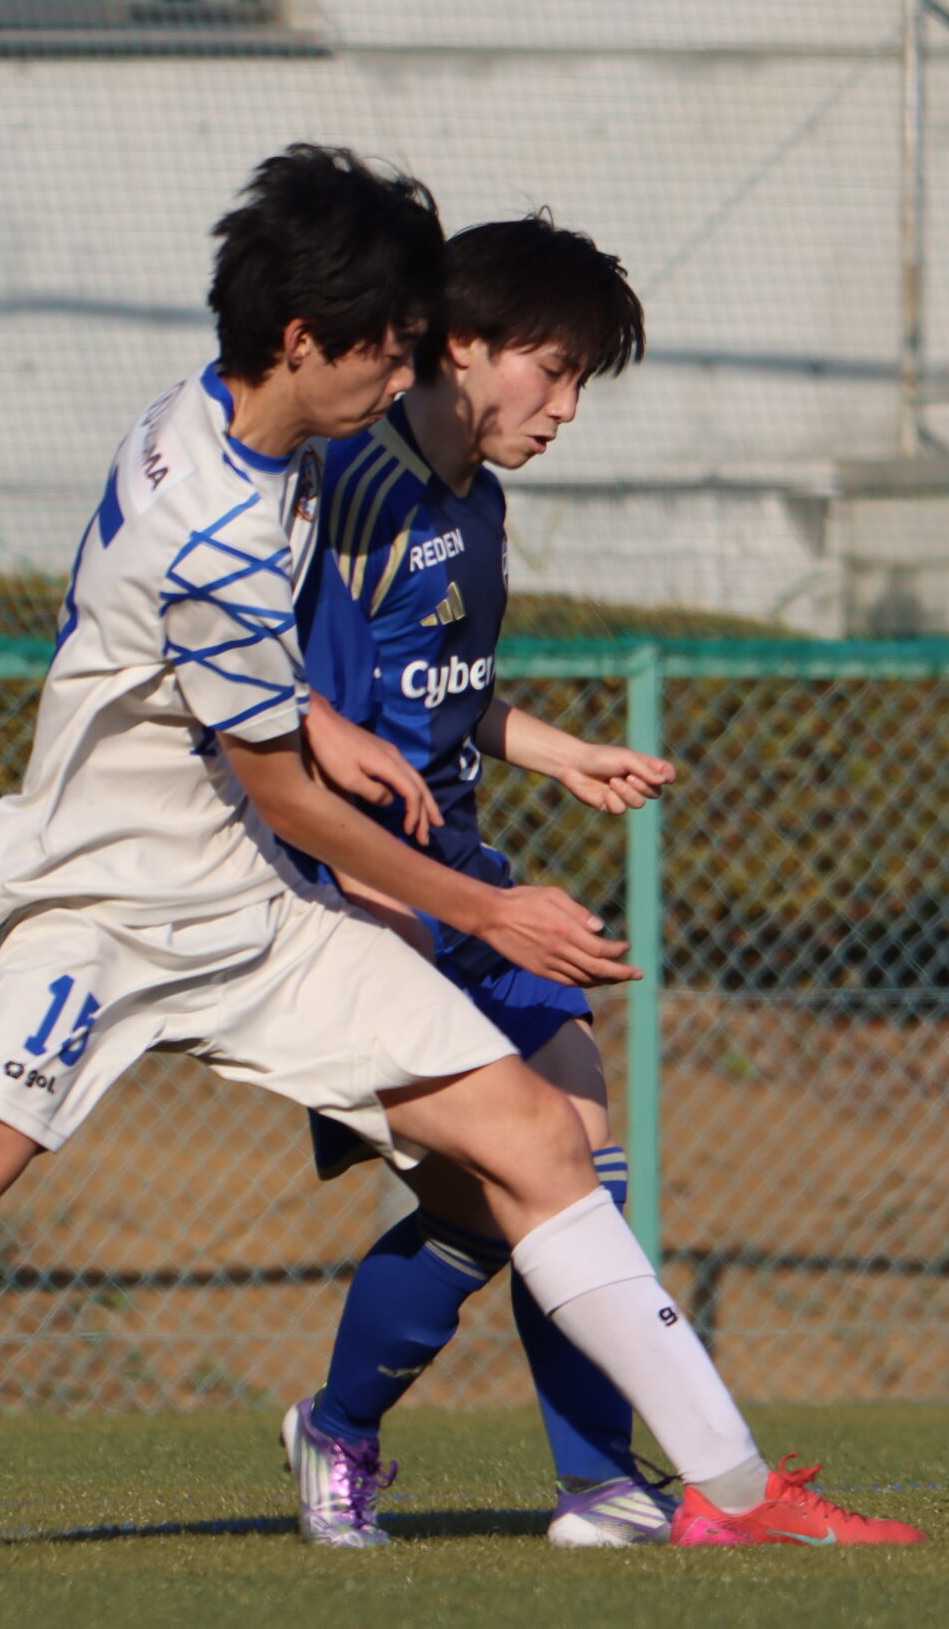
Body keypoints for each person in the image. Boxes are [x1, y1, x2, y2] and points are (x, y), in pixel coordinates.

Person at [0, 145, 924, 1564]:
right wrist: (488, 906)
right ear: (304, 339)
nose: (405, 375)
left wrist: (327, 718)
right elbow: (288, 794)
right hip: (109, 909)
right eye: (390, 348)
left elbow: (242, 695)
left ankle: (727, 1491)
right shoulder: (222, 527)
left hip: (255, 913)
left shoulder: (232, 428)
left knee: (544, 1143)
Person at [277, 215, 683, 1549]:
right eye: (551, 372)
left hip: (460, 869)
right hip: (368, 888)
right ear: (462, 344)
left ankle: (597, 1484)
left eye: (580, 384)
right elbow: (301, 725)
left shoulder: (478, 501)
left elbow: (444, 693)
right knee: (499, 1190)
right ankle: (344, 1429)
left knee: (571, 1165)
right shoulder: (353, 489)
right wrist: (382, 918)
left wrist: (563, 754)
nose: (564, 409)